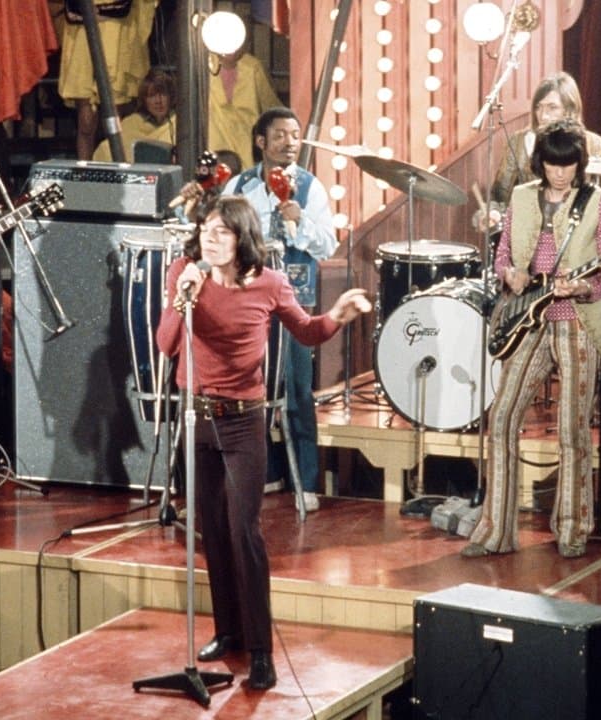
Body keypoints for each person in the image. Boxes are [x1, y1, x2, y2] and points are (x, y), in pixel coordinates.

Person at [155, 195, 370, 690]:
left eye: (221, 232)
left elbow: (308, 332)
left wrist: (337, 314)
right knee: (211, 529)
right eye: (205, 230)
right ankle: (227, 631)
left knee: (243, 531)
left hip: (242, 422)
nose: (210, 239)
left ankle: (260, 650)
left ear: (242, 239)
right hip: (197, 417)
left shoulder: (269, 284)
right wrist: (182, 298)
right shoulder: (185, 274)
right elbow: (166, 345)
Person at [461, 120, 601, 559]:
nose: (560, 173)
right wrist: (509, 273)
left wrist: (583, 286)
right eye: (553, 164)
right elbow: (502, 255)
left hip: (577, 322)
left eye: (568, 165)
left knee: (572, 430)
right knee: (502, 418)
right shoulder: (521, 197)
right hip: (527, 319)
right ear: (541, 162)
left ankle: (572, 530)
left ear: (579, 164)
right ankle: (495, 532)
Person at [219, 107, 337, 512]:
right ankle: (266, 472)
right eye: (281, 135)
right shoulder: (239, 185)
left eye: (295, 135)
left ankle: (305, 480)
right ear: (261, 142)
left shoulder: (310, 187)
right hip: (247, 300)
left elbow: (328, 245)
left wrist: (300, 221)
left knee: (297, 388)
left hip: (293, 300)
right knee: (251, 386)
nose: (290, 143)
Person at [477, 72, 601, 234]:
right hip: (530, 233)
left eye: (552, 107)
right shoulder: (519, 142)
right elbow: (499, 195)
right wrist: (493, 213)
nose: (543, 115)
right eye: (538, 107)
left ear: (570, 109)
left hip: (578, 233)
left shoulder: (594, 144)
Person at [56, 0, 154, 160]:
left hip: (117, 37)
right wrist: (94, 13)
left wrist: (96, 12)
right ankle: (85, 171)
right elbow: (72, 10)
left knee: (115, 122)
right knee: (86, 121)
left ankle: (118, 168)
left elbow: (123, 7)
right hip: (82, 38)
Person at [208, 47, 280, 171]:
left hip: (247, 159)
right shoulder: (203, 65)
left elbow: (273, 110)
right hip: (213, 160)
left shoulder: (253, 68)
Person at [92, 66, 175, 162]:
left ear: (171, 97)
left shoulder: (178, 123)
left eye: (163, 94)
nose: (158, 101)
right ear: (144, 100)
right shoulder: (131, 123)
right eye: (152, 96)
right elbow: (107, 148)